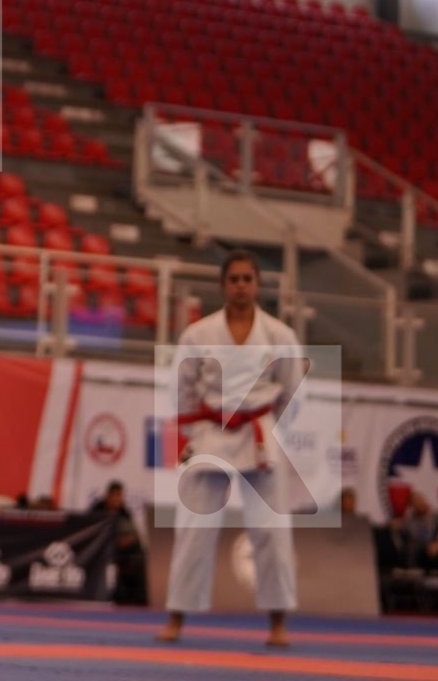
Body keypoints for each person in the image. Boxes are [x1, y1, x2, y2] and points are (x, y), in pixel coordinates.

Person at [157, 250, 301, 648]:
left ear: (258, 284)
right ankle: (176, 617)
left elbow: (291, 390)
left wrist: (273, 427)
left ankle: (277, 623)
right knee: (194, 528)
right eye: (234, 279)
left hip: (257, 434)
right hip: (211, 432)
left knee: (271, 531)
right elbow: (183, 388)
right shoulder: (198, 334)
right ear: (223, 284)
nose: (240, 286)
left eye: (247, 279)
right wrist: (191, 429)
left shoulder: (279, 335)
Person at [94, 481, 148, 606]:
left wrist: (129, 539)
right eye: (115, 495)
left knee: (139, 558)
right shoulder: (97, 510)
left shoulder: (124, 512)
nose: (118, 499)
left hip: (122, 552)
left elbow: (134, 533)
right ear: (108, 495)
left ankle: (139, 600)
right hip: (102, 552)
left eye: (120, 495)